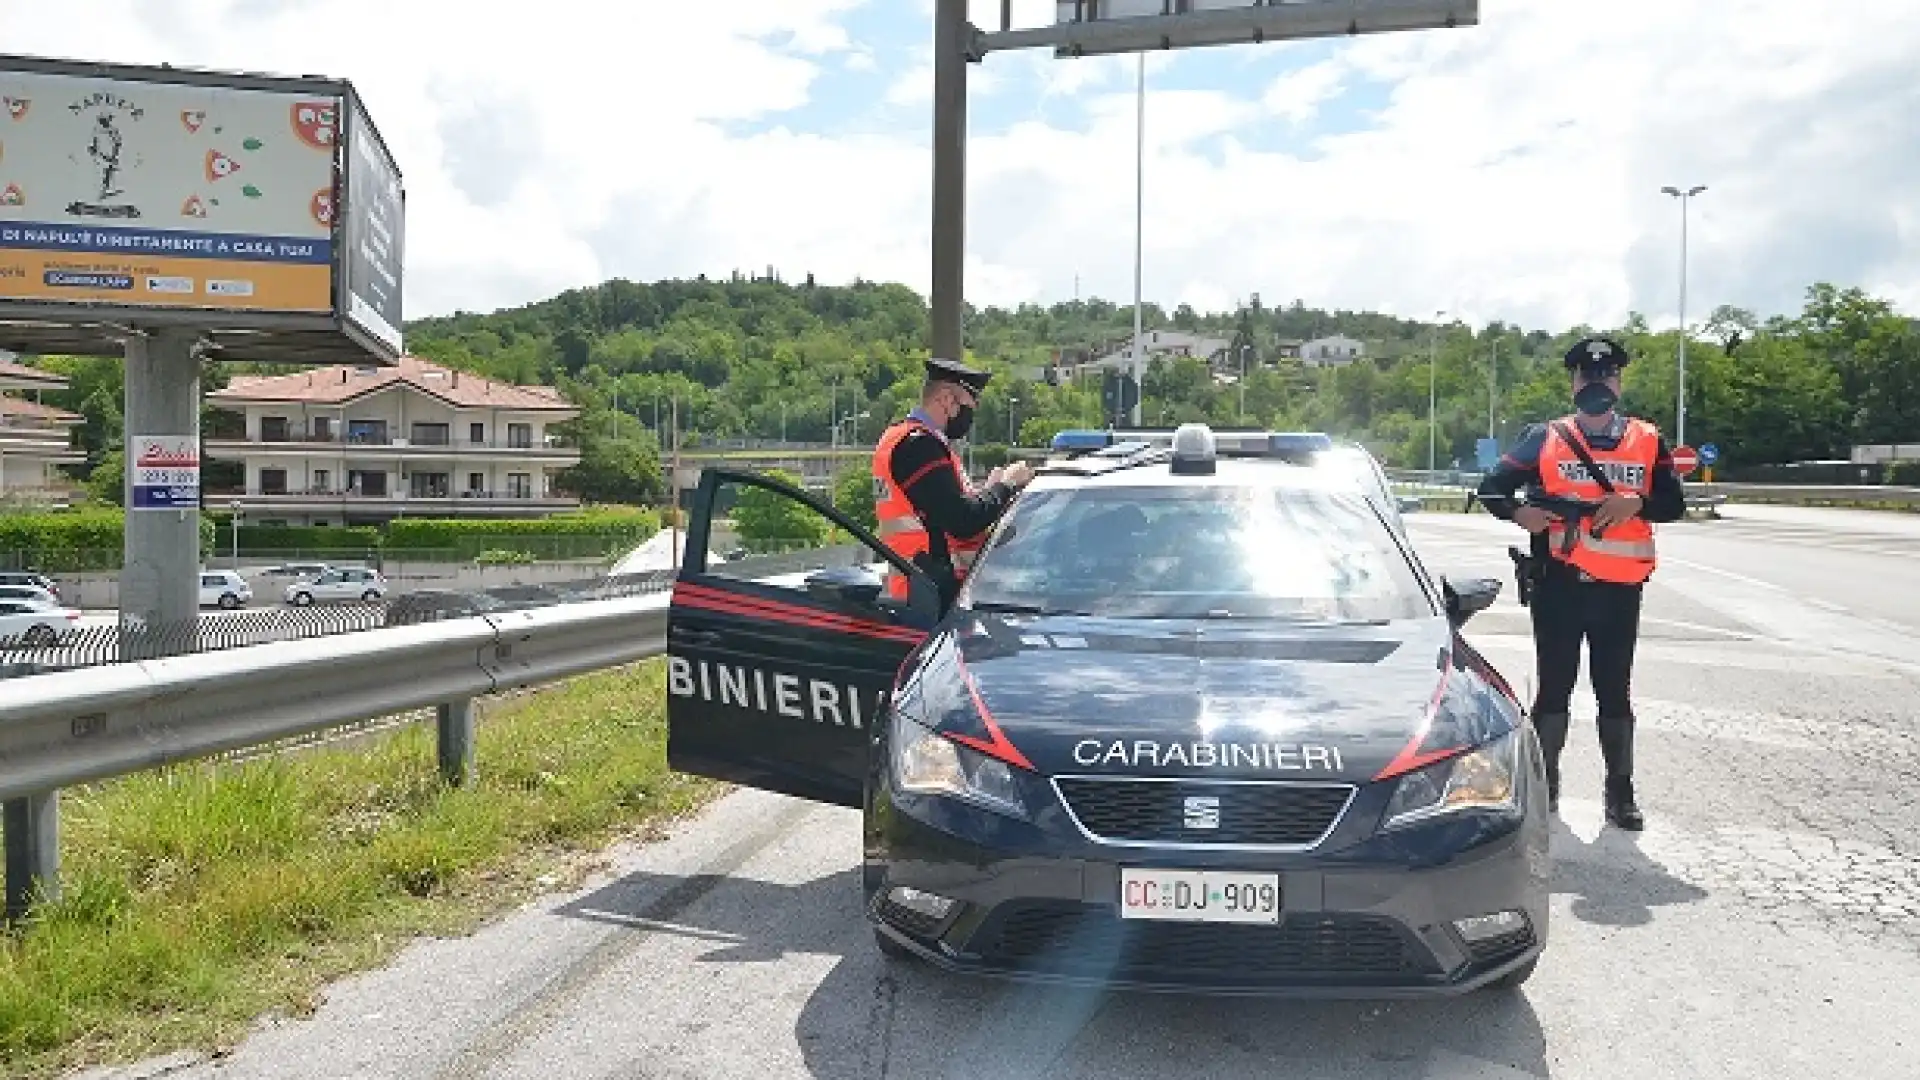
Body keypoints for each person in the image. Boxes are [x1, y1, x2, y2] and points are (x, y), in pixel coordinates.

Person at [1474, 335, 1686, 830]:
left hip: (1619, 591)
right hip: (1559, 587)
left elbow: (1674, 503)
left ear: (1619, 381)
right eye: (1588, 376)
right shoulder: (1544, 437)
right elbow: (1491, 488)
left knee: (1615, 693)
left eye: (1606, 375)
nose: (1597, 383)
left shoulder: (1647, 438)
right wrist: (1520, 512)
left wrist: (1636, 503)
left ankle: (1620, 795)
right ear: (1573, 383)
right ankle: (1545, 784)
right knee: (1554, 691)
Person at [872, 357, 1035, 608]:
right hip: (927, 592)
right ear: (947, 400)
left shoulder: (904, 439)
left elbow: (940, 509)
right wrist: (1006, 486)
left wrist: (987, 493)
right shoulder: (919, 446)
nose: (970, 416)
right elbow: (962, 520)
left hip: (918, 586)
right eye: (970, 406)